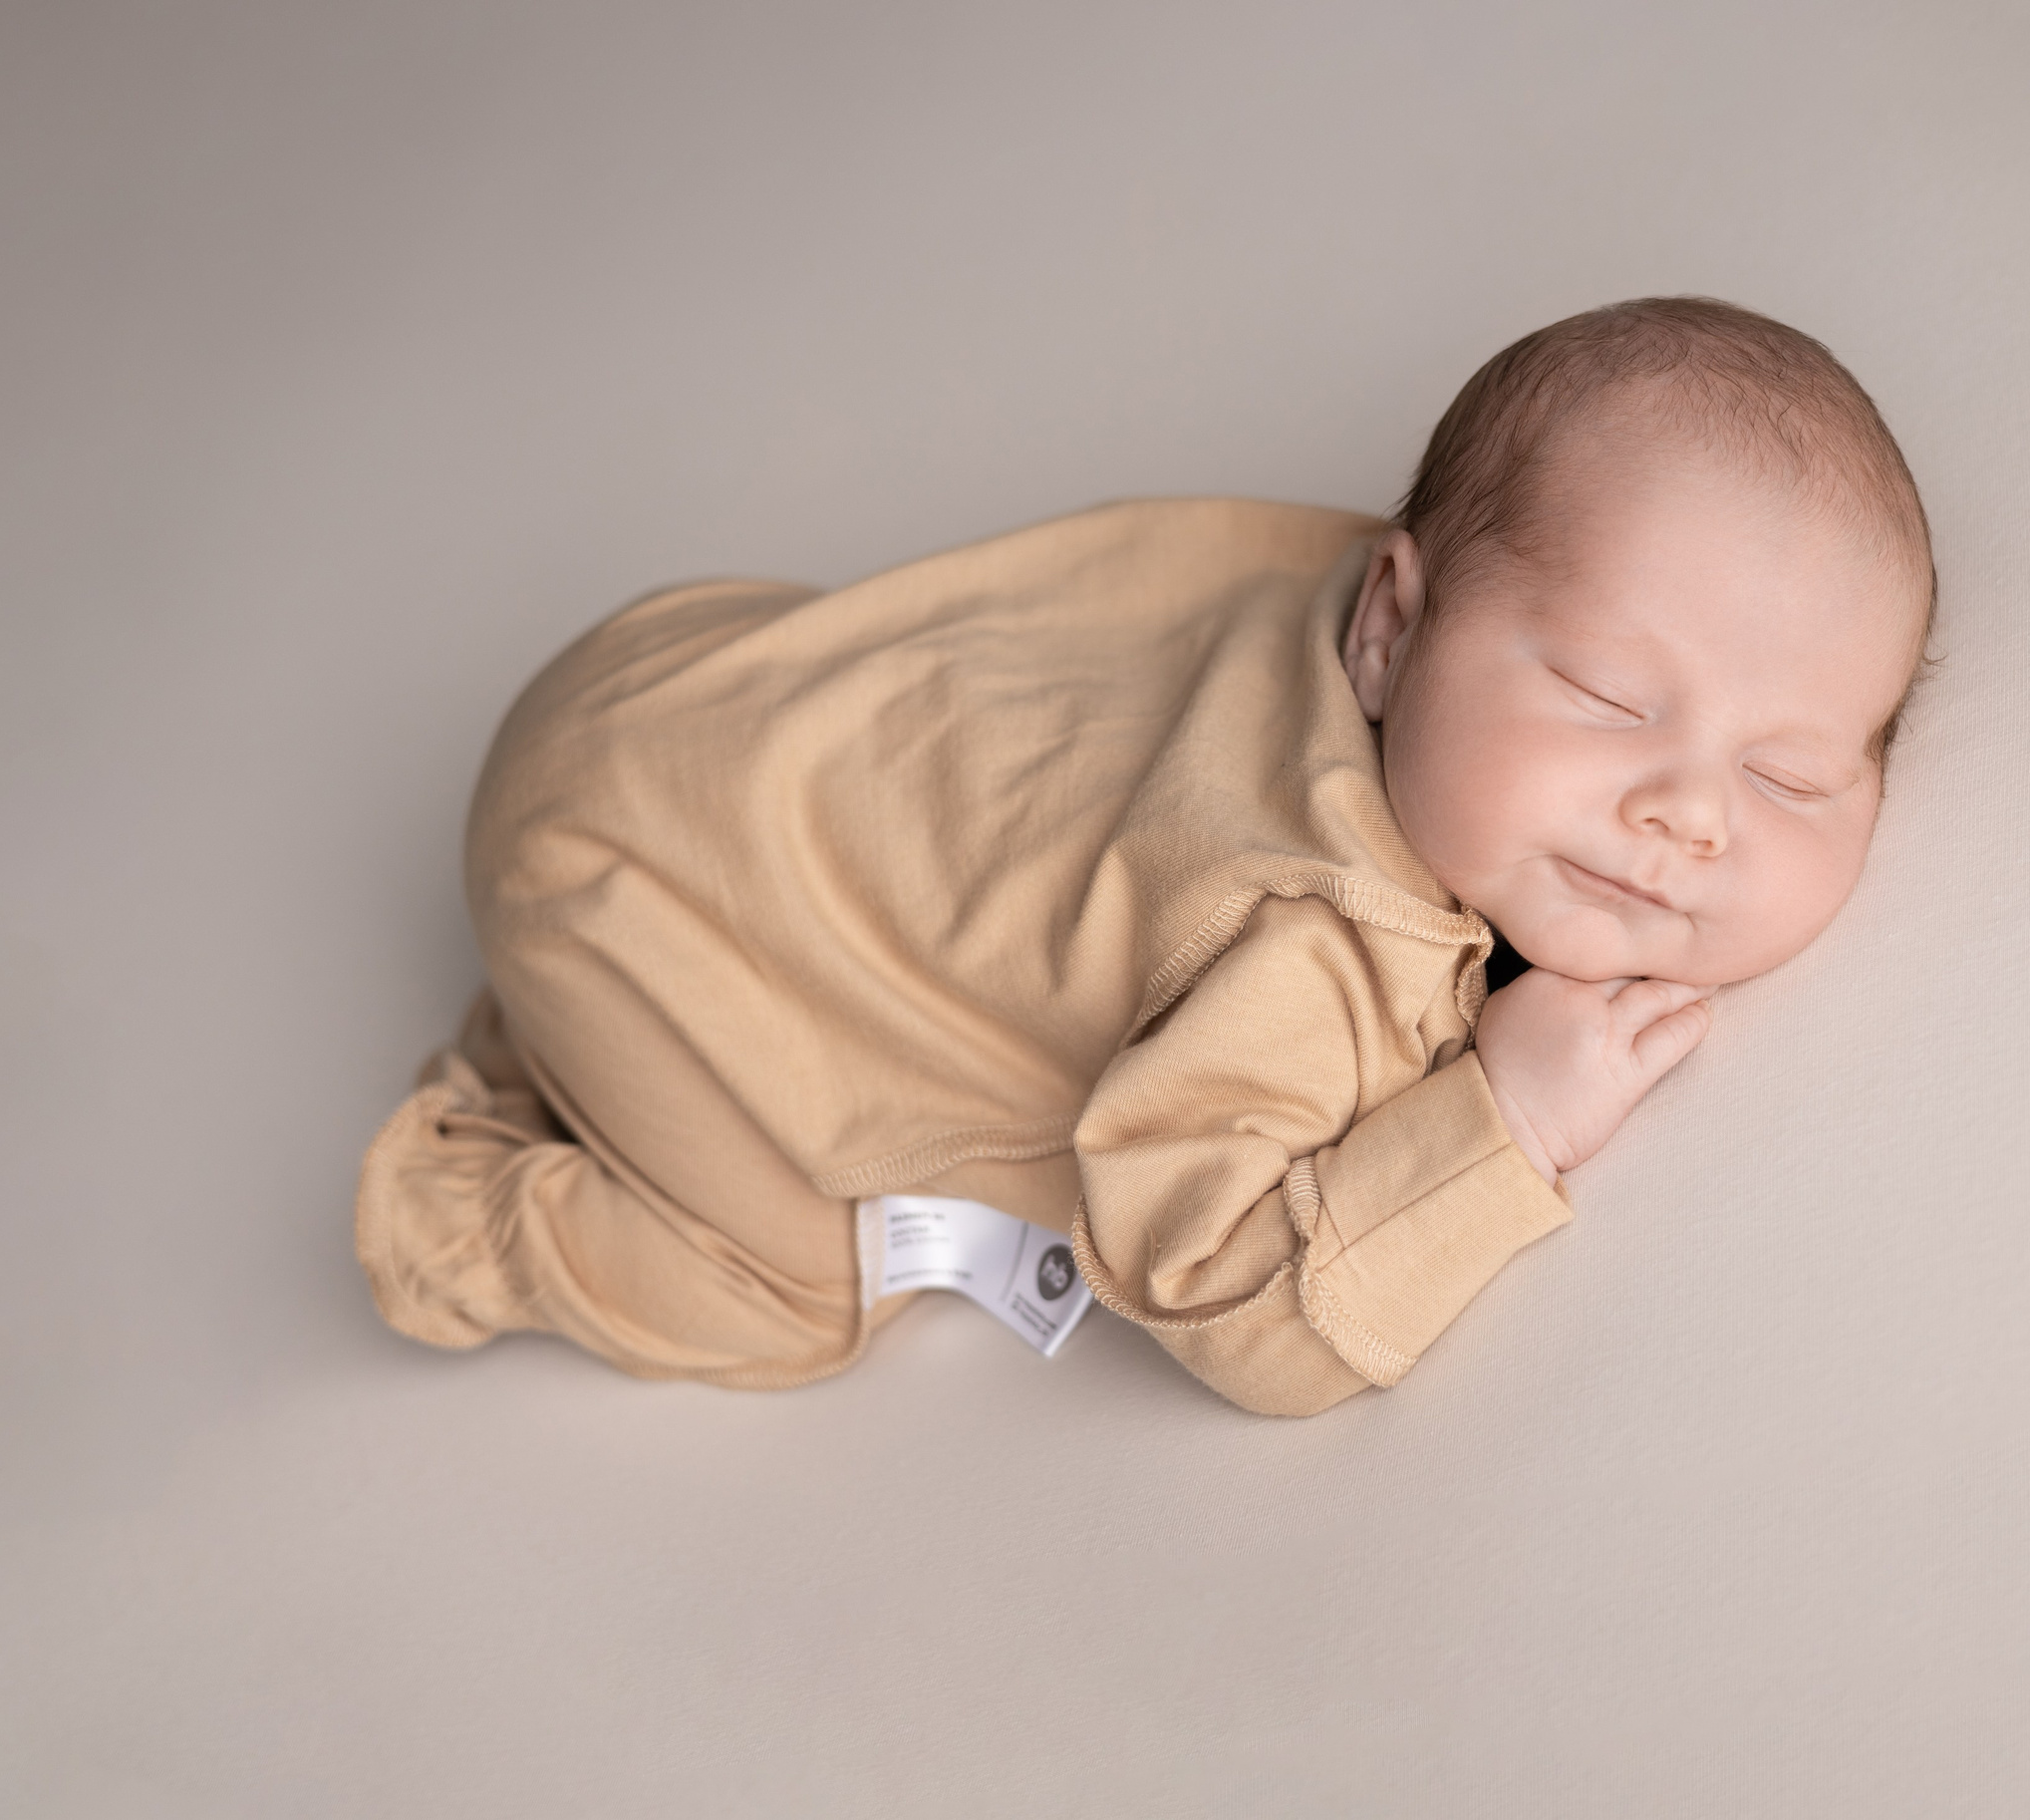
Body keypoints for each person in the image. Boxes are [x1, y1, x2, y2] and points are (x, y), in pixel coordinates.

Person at [355, 296, 1937, 1415]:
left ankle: (566, 1027)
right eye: (1606, 696)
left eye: (1794, 775)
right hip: (644, 903)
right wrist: (1498, 1122)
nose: (1691, 812)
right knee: (791, 1296)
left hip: (700, 675)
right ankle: (459, 1197)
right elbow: (1209, 1291)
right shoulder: (1302, 941)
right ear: (1394, 626)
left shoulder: (1405, 607)